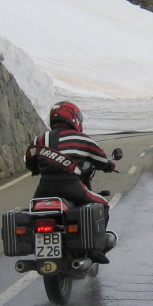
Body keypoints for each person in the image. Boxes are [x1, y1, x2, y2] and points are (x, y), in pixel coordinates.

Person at [25, 100, 117, 263]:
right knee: (103, 204)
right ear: (74, 118)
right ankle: (97, 247)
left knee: (34, 213)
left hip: (44, 188)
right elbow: (101, 160)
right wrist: (109, 165)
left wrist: (39, 169)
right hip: (72, 187)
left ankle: (34, 245)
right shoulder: (82, 139)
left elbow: (29, 162)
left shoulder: (39, 139)